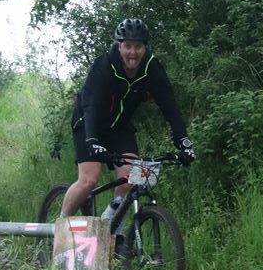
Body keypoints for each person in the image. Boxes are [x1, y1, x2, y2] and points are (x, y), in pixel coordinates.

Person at [61, 17, 195, 217]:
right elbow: (92, 106)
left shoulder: (151, 68)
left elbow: (170, 107)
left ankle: (109, 222)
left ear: (145, 48)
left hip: (120, 127)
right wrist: (93, 141)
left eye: (138, 47)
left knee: (132, 178)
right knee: (89, 180)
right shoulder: (105, 65)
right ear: (119, 46)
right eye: (128, 46)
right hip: (89, 123)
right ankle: (61, 224)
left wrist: (184, 142)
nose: (133, 52)